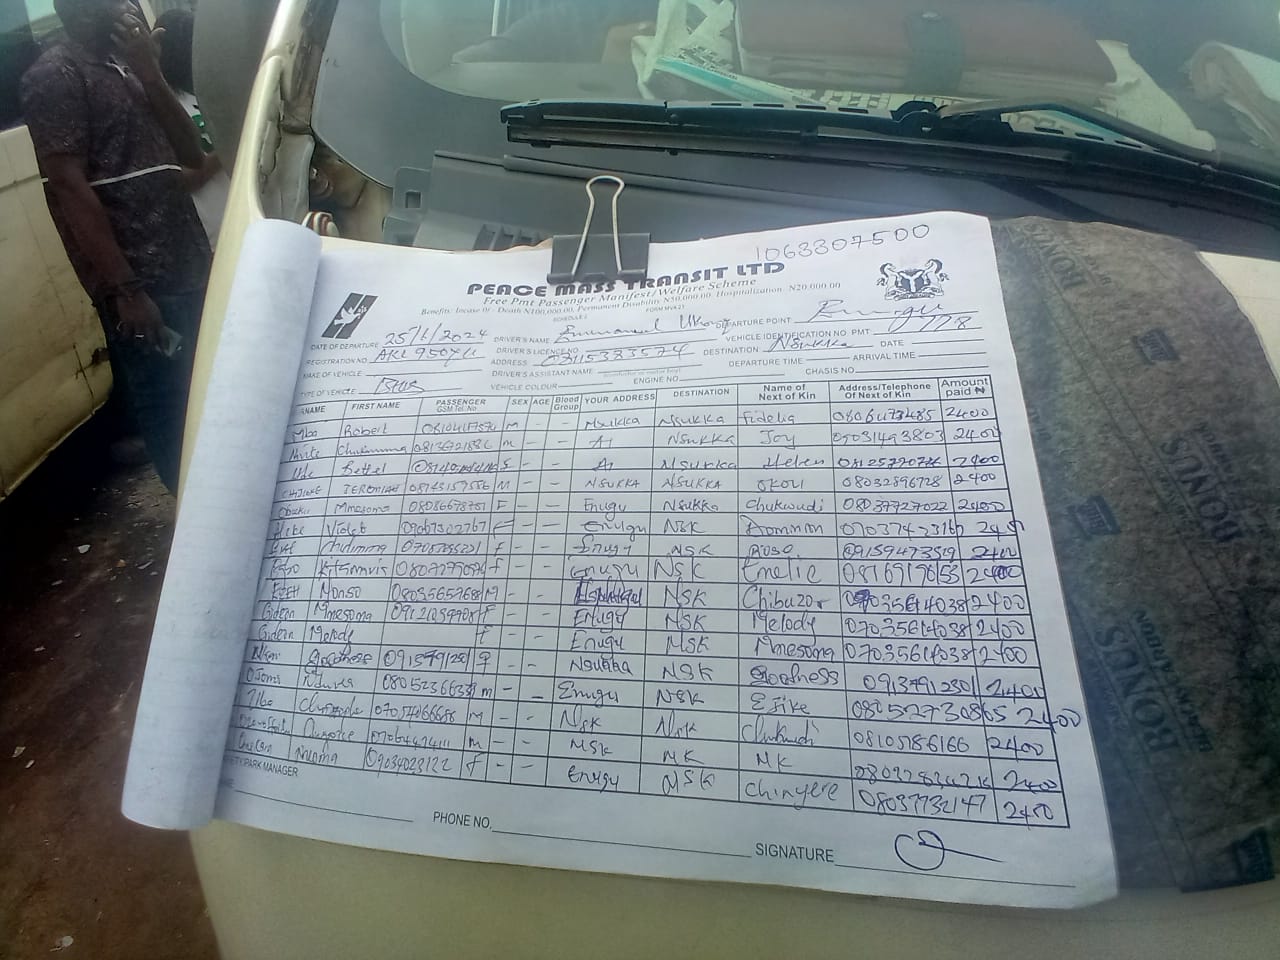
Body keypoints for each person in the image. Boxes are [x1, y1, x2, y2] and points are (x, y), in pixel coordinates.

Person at [20, 0, 211, 493]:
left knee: (209, 394)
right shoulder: (55, 75)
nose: (125, 5)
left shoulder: (130, 65)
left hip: (189, 264)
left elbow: (191, 152)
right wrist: (126, 289)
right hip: (143, 284)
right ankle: (193, 513)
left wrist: (151, 74)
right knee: (170, 407)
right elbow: (68, 188)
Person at [155, 7, 230, 248]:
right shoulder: (165, 105)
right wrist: (229, 146)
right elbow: (182, 179)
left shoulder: (209, 90)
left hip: (247, 213)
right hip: (214, 232)